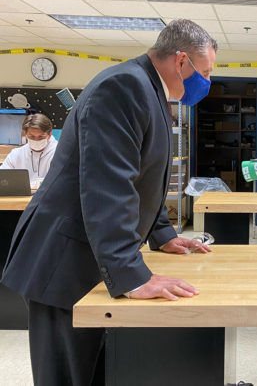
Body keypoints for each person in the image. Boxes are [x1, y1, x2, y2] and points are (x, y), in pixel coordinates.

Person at [1, 19, 216, 386]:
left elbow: (143, 176)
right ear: (181, 61)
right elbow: (108, 185)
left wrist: (161, 233)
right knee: (68, 376)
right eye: (205, 72)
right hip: (63, 260)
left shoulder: (151, 90)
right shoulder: (124, 86)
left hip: (88, 255)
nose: (206, 82)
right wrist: (130, 275)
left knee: (97, 369)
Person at [0, 113, 58, 188]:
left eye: (41, 137)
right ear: (25, 134)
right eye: (32, 136)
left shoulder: (58, 153)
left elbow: (58, 182)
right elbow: (3, 178)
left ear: (49, 135)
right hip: (20, 198)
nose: (36, 140)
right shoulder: (16, 154)